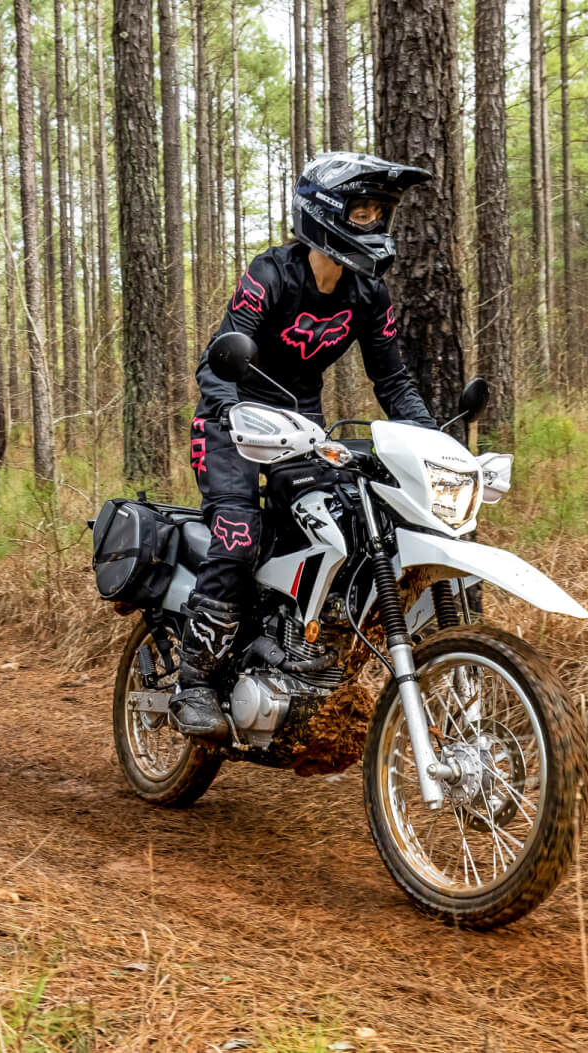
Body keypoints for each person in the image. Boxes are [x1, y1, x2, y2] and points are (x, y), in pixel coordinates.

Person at [171, 151, 439, 741]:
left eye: (380, 212)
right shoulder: (270, 274)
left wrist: (431, 440)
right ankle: (193, 679)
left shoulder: (368, 294)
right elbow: (222, 355)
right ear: (325, 214)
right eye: (363, 209)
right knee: (239, 535)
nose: (373, 222)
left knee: (337, 528)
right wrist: (231, 409)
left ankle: (285, 639)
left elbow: (392, 379)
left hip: (303, 425)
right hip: (231, 421)